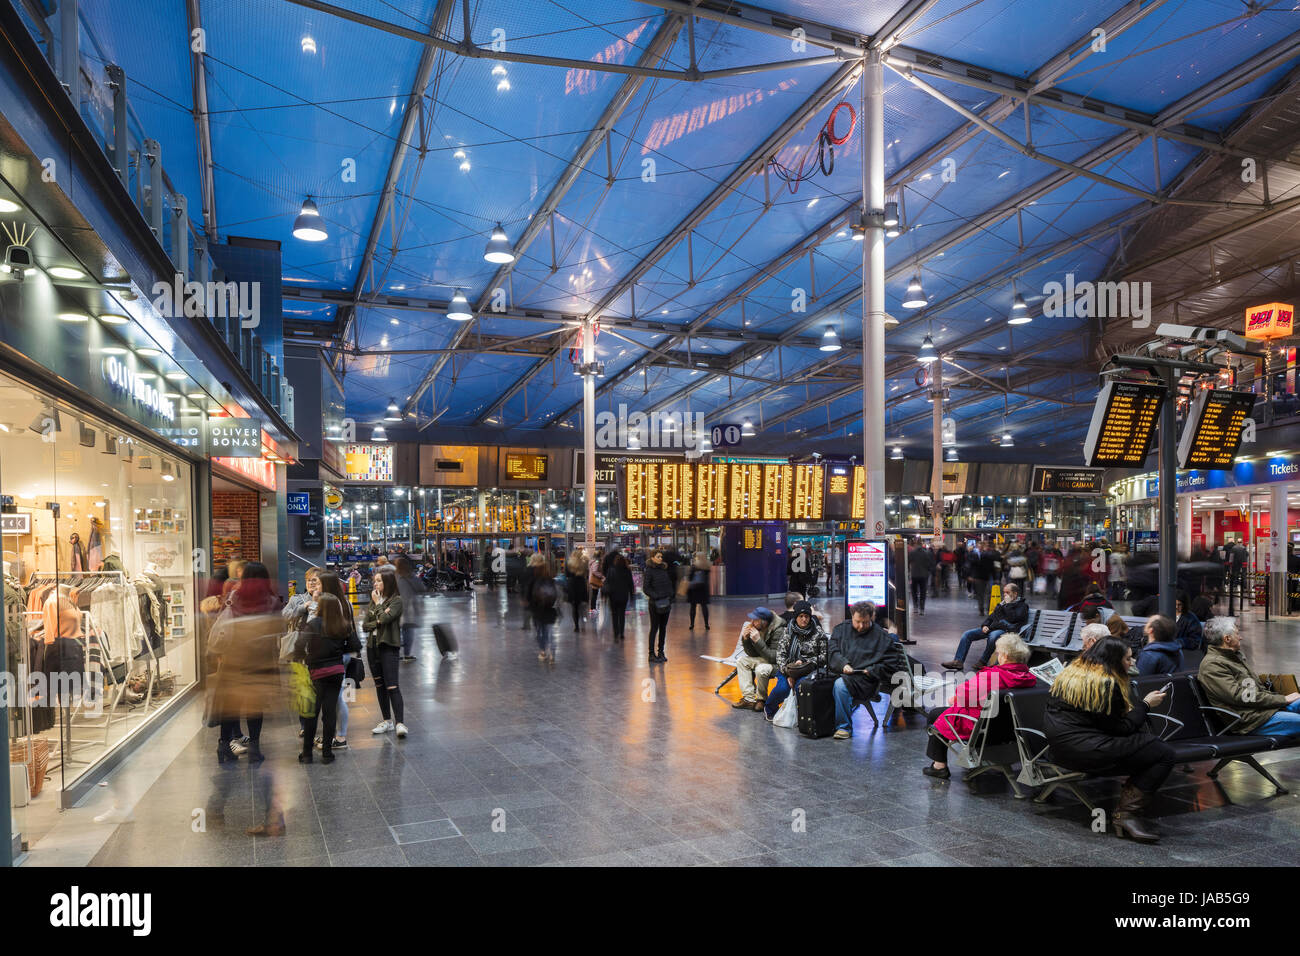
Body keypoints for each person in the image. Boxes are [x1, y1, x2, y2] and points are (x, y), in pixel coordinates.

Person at [1044, 636, 1174, 843]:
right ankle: (1126, 816)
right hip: (1088, 752)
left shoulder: (1070, 674)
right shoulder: (1105, 684)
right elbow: (1122, 729)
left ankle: (1127, 814)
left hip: (1059, 750)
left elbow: (1093, 720)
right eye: (1128, 659)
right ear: (1113, 660)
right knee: (1163, 753)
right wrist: (1146, 705)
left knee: (1145, 743)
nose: (1131, 663)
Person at [923, 633, 1038, 777]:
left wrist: (956, 699)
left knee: (936, 714)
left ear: (1006, 656)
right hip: (1010, 730)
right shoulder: (1029, 678)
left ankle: (939, 766)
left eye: (998, 653)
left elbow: (961, 696)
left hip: (983, 730)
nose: (997, 656)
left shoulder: (992, 676)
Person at [209, 562, 279, 767]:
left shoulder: (233, 598)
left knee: (231, 706)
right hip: (259, 661)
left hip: (233, 659)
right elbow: (279, 631)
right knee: (254, 707)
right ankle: (255, 748)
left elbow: (221, 624)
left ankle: (224, 745)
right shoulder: (272, 601)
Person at [1198, 616, 1300, 738]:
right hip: (1250, 720)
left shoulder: (1233, 657)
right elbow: (1243, 697)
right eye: (1237, 634)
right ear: (1227, 639)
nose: (1240, 637)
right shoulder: (1213, 665)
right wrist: (1283, 699)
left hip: (1261, 711)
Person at [294, 594, 359, 764]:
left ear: (320, 607)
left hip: (316, 673)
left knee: (311, 714)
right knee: (329, 713)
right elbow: (355, 646)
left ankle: (307, 754)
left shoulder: (313, 624)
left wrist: (303, 657)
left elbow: (299, 644)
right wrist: (340, 648)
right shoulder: (342, 624)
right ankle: (327, 754)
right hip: (336, 672)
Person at [828, 601, 907, 739]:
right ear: (852, 616)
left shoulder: (881, 636)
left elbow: (891, 663)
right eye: (857, 621)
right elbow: (832, 651)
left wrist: (872, 670)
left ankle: (844, 727)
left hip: (867, 680)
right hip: (842, 672)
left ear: (871, 618)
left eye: (865, 622)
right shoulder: (841, 629)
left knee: (840, 686)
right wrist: (842, 664)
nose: (861, 626)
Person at [763, 600, 829, 720]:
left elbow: (825, 655)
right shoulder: (788, 631)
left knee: (801, 687)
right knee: (782, 688)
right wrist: (789, 673)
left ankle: (803, 715)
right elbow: (780, 655)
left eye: (807, 616)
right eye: (801, 616)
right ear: (796, 617)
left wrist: (805, 662)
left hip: (809, 670)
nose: (804, 619)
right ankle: (769, 708)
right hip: (788, 669)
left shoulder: (818, 632)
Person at [942, 582, 1029, 670]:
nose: (1005, 595)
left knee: (993, 636)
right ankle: (958, 661)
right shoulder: (1003, 604)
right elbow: (991, 617)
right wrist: (985, 625)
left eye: (1008, 592)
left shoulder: (1022, 606)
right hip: (993, 628)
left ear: (1015, 593)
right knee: (967, 634)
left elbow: (1013, 618)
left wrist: (1009, 605)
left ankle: (983, 661)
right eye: (1004, 592)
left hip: (1006, 630)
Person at [363, 568, 407, 738]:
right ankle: (387, 720)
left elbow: (387, 619)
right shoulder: (373, 602)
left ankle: (400, 723)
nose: (376, 584)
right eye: (375, 581)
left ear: (387, 582)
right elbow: (366, 625)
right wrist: (379, 620)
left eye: (379, 580)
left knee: (392, 685)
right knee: (380, 686)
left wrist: (380, 609)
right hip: (372, 647)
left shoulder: (396, 601)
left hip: (388, 647)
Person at [732, 607, 783, 711]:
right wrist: (746, 639)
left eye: (755, 620)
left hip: (778, 664)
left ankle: (761, 700)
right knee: (742, 661)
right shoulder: (759, 628)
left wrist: (758, 641)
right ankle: (749, 700)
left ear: (764, 622)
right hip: (764, 659)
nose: (752, 622)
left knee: (761, 669)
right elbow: (752, 654)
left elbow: (774, 658)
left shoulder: (779, 629)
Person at [642, 550, 673, 663]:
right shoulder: (649, 571)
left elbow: (668, 584)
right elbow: (646, 588)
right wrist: (656, 596)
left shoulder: (664, 569)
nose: (660, 558)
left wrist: (670, 596)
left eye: (661, 557)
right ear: (652, 558)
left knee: (663, 628)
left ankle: (661, 652)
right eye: (658, 556)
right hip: (655, 604)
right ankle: (651, 654)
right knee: (654, 628)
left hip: (666, 602)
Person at [393, 556, 426, 662]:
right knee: (408, 631)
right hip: (410, 607)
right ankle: (407, 654)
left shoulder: (395, 577)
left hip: (396, 607)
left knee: (396, 631)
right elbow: (422, 588)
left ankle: (396, 653)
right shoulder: (411, 576)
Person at [528, 559, 559, 662]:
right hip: (549, 609)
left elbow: (529, 596)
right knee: (548, 630)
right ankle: (551, 652)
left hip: (537, 610)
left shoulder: (533, 580)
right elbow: (555, 595)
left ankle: (542, 650)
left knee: (539, 631)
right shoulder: (550, 579)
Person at [601, 554, 634, 642]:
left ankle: (616, 633)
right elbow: (631, 584)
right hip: (623, 596)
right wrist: (632, 595)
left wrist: (604, 595)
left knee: (614, 615)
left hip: (613, 596)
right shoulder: (627, 570)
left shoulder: (611, 570)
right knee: (622, 614)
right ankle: (622, 633)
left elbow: (607, 583)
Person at [686, 551, 711, 630]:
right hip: (703, 589)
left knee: (693, 607)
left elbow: (690, 577)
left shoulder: (694, 566)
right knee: (704, 607)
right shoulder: (707, 566)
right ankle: (706, 624)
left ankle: (692, 624)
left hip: (694, 589)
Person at [908, 541, 935, 615]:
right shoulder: (927, 553)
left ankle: (915, 607)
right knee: (923, 592)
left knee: (914, 592)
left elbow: (908, 562)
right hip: (924, 575)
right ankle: (922, 608)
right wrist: (928, 571)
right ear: (922, 545)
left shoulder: (912, 553)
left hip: (914, 575)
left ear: (916, 545)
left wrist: (909, 571)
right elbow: (930, 564)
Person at [566, 548, 589, 631]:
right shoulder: (583, 563)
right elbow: (586, 574)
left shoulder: (569, 564)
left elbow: (567, 575)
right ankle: (583, 622)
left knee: (574, 607)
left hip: (572, 586)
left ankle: (576, 626)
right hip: (581, 585)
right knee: (582, 606)